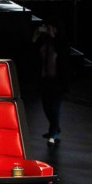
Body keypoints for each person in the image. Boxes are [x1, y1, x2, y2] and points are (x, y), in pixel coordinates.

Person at [32, 16, 70, 145]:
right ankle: (55, 128)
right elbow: (33, 56)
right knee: (46, 107)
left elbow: (63, 56)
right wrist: (35, 38)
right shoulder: (44, 41)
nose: (48, 29)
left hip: (57, 80)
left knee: (54, 107)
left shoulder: (61, 42)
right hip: (45, 79)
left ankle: (53, 132)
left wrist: (53, 36)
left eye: (51, 27)